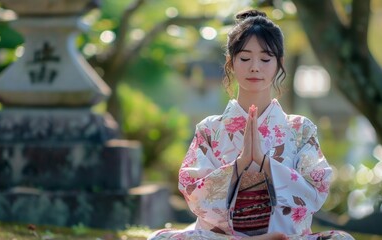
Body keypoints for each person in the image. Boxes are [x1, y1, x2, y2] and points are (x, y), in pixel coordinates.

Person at [148, 9, 354, 240]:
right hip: (223, 236)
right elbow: (193, 192)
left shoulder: (300, 129)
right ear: (231, 62)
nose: (255, 66)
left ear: (279, 63)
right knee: (159, 239)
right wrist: (240, 164)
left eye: (266, 59)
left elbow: (316, 191)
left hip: (285, 236)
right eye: (245, 58)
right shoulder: (209, 129)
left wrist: (266, 164)